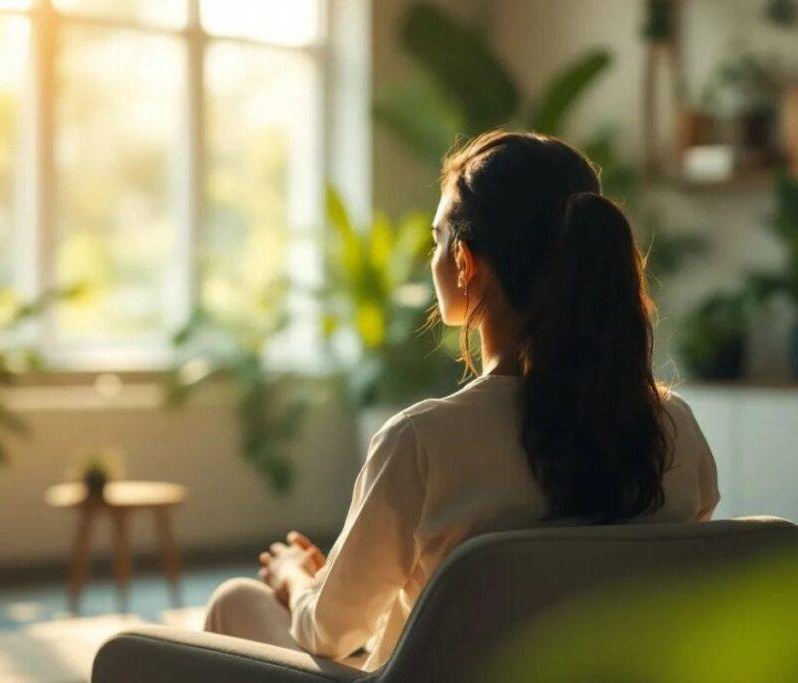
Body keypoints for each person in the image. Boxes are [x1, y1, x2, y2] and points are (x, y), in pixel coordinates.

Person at [202, 131, 720, 671]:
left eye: (436, 239)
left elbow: (329, 635)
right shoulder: (675, 428)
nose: (433, 259)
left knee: (238, 602)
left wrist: (297, 581)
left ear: (465, 262)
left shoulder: (424, 442)